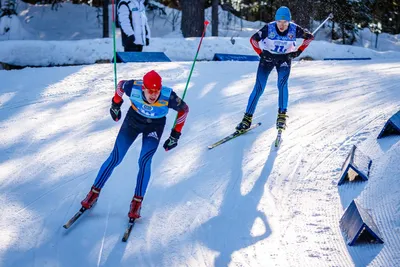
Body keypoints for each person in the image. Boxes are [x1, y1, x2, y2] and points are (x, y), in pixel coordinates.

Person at [80, 70, 189, 219]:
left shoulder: (168, 96)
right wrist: (115, 105)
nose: (154, 95)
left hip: (154, 126)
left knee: (144, 161)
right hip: (133, 121)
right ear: (143, 87)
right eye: (150, 90)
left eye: (157, 91)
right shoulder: (133, 87)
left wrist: (175, 135)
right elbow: (120, 86)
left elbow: (184, 109)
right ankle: (94, 193)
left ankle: (137, 202)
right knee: (116, 157)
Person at [236, 6, 314, 132]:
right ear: (275, 21)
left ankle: (282, 116)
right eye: (279, 22)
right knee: (259, 88)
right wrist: (261, 54)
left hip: (284, 60)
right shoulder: (269, 28)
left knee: (282, 85)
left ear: (289, 22)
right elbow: (253, 40)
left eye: (285, 22)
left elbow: (309, 38)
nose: (282, 25)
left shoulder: (294, 29)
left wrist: (297, 52)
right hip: (267, 59)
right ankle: (247, 118)